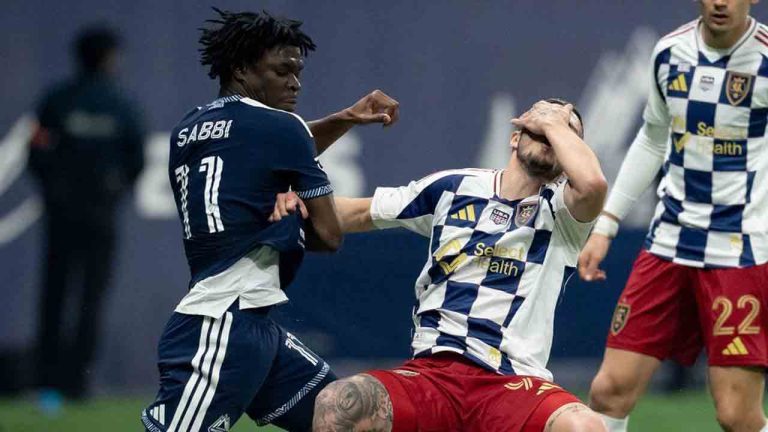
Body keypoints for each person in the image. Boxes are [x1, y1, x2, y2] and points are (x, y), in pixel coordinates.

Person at [274, 99, 608, 431]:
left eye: (564, 135)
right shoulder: (455, 186)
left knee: (586, 427)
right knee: (338, 403)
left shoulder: (565, 213)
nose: (550, 135)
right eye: (538, 129)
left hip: (511, 383)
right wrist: (294, 201)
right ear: (515, 136)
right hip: (432, 376)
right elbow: (356, 213)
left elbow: (593, 183)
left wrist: (549, 121)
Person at [140, 9, 399, 432]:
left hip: (248, 322)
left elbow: (264, 145)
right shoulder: (281, 129)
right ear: (241, 69)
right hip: (223, 326)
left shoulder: (188, 129)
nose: (295, 82)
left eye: (298, 71)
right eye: (282, 70)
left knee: (351, 420)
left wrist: (345, 119)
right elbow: (330, 236)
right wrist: (293, 215)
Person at [578, 1, 768, 431]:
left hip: (738, 250)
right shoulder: (670, 52)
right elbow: (652, 139)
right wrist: (605, 226)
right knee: (609, 391)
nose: (720, 2)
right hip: (668, 243)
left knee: (736, 415)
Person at [27, 26, 145, 403]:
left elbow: (36, 154)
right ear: (109, 58)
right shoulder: (120, 105)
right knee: (90, 299)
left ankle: (46, 382)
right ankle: (78, 384)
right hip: (100, 217)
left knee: (55, 295)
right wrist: (113, 191)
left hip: (62, 216)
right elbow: (137, 159)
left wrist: (56, 191)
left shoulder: (57, 100)